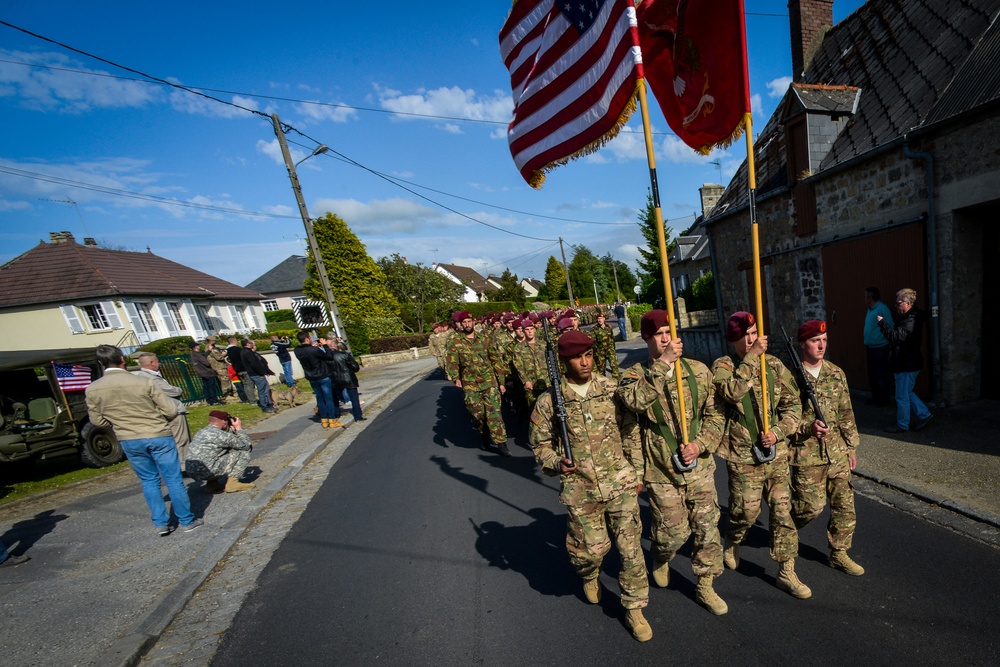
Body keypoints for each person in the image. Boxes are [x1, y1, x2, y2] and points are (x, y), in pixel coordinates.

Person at [528, 330, 651, 642]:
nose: (584, 362)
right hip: (580, 490)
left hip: (619, 483)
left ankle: (635, 608)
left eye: (589, 355)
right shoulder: (548, 402)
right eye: (577, 357)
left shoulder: (611, 389)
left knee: (631, 550)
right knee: (591, 552)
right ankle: (589, 572)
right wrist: (557, 463)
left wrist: (636, 473)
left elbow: (630, 431)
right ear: (563, 360)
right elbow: (540, 446)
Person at [617, 310, 728, 615]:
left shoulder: (698, 371)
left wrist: (700, 444)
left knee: (707, 528)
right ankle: (661, 554)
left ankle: (706, 584)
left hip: (700, 468)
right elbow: (634, 402)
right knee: (672, 533)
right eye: (659, 334)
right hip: (660, 470)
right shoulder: (632, 374)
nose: (666, 339)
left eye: (669, 331)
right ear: (647, 338)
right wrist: (663, 365)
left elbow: (715, 415)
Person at [711, 312, 810, 599]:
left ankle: (786, 571)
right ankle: (733, 536)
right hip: (743, 456)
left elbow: (793, 406)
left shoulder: (775, 366)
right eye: (746, 335)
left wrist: (779, 432)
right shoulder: (724, 366)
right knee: (746, 512)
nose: (753, 339)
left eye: (754, 332)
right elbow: (731, 392)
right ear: (734, 339)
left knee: (782, 512)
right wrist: (752, 357)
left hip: (775, 454)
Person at [85, 344, 201, 536]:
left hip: (129, 438)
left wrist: (117, 421)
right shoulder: (143, 382)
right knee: (173, 479)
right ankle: (187, 520)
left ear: (100, 362)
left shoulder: (93, 388)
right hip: (157, 433)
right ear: (123, 359)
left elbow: (98, 421)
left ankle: (161, 523)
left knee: (149, 480)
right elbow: (170, 409)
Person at [789, 320, 864, 576]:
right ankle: (783, 528)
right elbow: (783, 418)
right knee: (809, 507)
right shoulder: (790, 378)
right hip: (807, 454)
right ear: (802, 344)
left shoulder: (836, 373)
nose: (821, 345)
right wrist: (807, 427)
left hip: (837, 452)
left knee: (845, 505)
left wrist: (851, 446)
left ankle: (839, 553)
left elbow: (846, 412)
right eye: (814, 340)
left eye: (824, 339)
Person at [444, 311, 511, 457]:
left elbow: (495, 360)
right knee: (478, 415)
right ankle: (484, 434)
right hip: (470, 385)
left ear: (474, 322)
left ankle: (501, 443)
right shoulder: (455, 342)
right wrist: (456, 377)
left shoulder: (485, 339)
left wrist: (501, 382)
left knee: (495, 413)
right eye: (464, 322)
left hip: (489, 382)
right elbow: (452, 362)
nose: (467, 324)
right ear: (461, 324)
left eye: (469, 321)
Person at [878, 288, 933, 433]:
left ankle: (903, 424)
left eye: (898, 303)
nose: (896, 306)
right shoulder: (910, 317)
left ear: (908, 303)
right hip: (906, 362)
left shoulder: (911, 319)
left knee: (902, 396)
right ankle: (924, 414)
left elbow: (897, 337)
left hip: (907, 364)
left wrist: (883, 324)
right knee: (906, 392)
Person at [136, 352, 192, 464]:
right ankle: (183, 465)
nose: (159, 363)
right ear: (151, 363)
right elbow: (172, 391)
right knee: (181, 439)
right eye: (157, 361)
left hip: (161, 411)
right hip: (171, 410)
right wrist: (179, 390)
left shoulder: (143, 377)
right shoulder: (150, 378)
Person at [186, 410, 255, 493]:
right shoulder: (221, 435)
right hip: (207, 470)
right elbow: (246, 445)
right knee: (243, 453)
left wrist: (231, 431)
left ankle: (212, 485)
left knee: (215, 455)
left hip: (192, 471)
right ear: (224, 421)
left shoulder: (201, 432)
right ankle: (232, 484)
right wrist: (239, 429)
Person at [294, 332, 342, 428]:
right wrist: (324, 345)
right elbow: (329, 357)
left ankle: (324, 419)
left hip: (311, 377)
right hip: (322, 375)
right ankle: (332, 419)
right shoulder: (314, 350)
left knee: (320, 398)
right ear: (307, 339)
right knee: (328, 398)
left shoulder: (297, 351)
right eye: (310, 337)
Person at [864, 287, 893, 406]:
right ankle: (876, 398)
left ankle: (884, 400)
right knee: (873, 375)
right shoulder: (870, 309)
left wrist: (885, 341)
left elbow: (890, 325)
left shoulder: (882, 309)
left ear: (870, 298)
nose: (864, 299)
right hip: (870, 347)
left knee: (881, 374)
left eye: (865, 296)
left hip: (880, 347)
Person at [240, 340, 277, 413]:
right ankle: (265, 406)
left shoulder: (245, 351)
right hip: (256, 374)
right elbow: (254, 364)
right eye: (251, 343)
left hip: (254, 374)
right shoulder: (248, 352)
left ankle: (268, 404)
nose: (253, 345)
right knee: (263, 390)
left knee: (264, 390)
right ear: (247, 344)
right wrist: (261, 373)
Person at [591, 310, 620, 382]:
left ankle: (616, 381)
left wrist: (613, 348)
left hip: (610, 350)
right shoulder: (594, 329)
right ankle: (604, 383)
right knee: (601, 369)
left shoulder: (609, 327)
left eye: (601, 318)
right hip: (600, 352)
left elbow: (612, 339)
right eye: (598, 319)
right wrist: (596, 353)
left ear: (604, 319)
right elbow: (593, 342)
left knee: (614, 366)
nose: (599, 320)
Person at [227, 337, 256, 404]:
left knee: (245, 385)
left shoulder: (229, 350)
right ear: (234, 341)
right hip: (244, 368)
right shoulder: (237, 350)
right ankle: (252, 400)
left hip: (238, 369)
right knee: (249, 384)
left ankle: (248, 399)